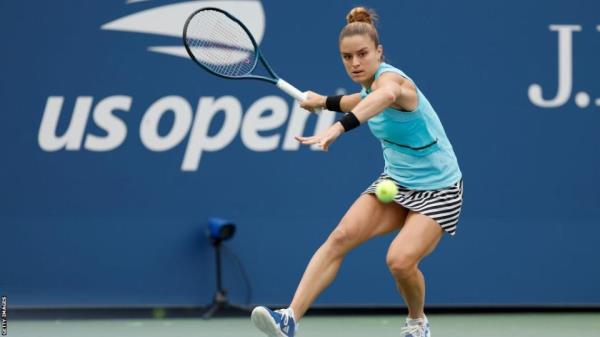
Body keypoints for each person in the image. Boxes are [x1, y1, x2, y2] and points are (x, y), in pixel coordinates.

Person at [251, 6, 463, 337]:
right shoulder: (367, 87)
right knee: (339, 237)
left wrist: (337, 129)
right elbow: (356, 99)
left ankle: (417, 322)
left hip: (440, 188)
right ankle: (289, 317)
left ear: (379, 52)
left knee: (400, 261)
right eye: (347, 57)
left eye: (362, 54)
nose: (355, 63)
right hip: (397, 181)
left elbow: (385, 96)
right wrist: (321, 101)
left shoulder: (394, 82)